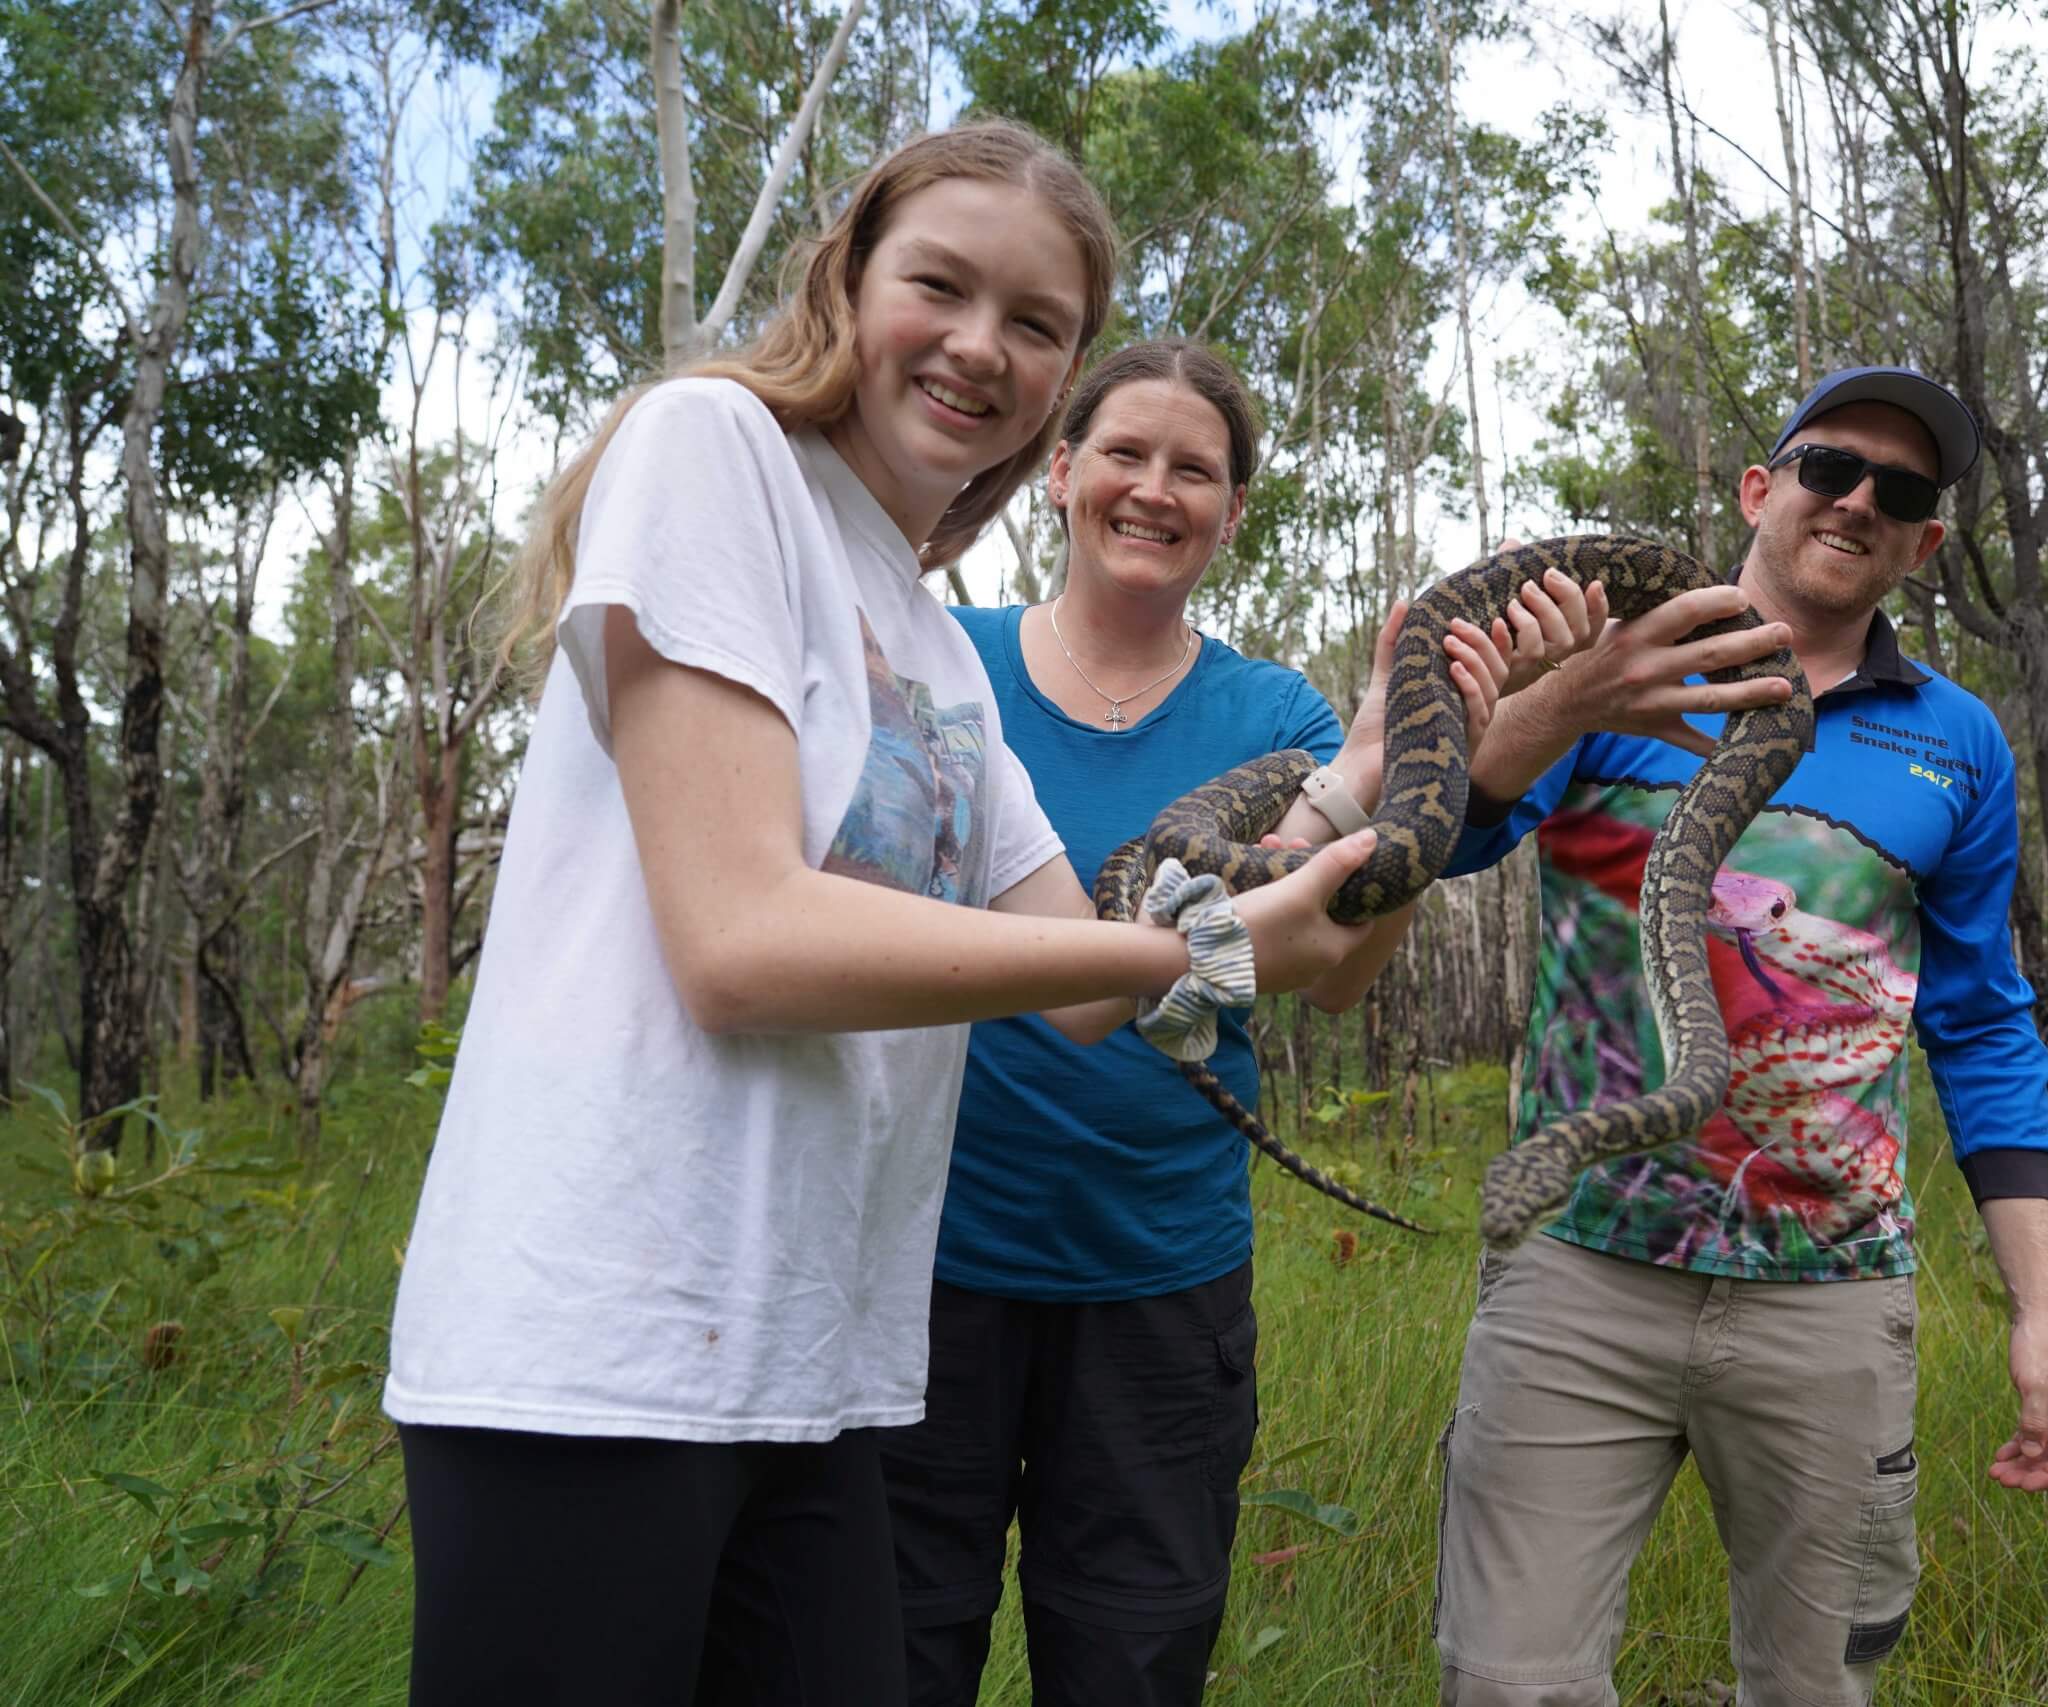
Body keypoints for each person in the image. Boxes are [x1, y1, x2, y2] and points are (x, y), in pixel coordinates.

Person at [380, 124, 1387, 1707]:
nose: (982, 347)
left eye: (1038, 324)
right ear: (848, 280)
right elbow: (740, 943)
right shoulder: (714, 451)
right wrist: (1198, 951)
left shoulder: (925, 635)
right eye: (942, 285)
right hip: (601, 1348)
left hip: (812, 1367)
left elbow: (1075, 973)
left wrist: (1371, 779)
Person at [881, 337, 1557, 1707]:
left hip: (1160, 1280)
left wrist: (1426, 770)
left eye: (1196, 469)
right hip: (920, 1263)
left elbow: (1342, 975)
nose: (1155, 488)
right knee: (890, 1650)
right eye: (1124, 452)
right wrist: (1259, 890)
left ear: (1233, 511)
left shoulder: (1284, 717)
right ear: (1061, 470)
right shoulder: (944, 658)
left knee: (1133, 1659)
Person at [1429, 367, 2048, 1707]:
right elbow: (1441, 837)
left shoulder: (1957, 744)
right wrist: (1576, 692)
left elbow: (1979, 1024)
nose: (1856, 502)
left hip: (1834, 1294)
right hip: (1576, 1277)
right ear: (1760, 486)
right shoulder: (1624, 662)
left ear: (1924, 543)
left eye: (1900, 494)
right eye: (1829, 468)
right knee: (1509, 1684)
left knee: (1816, 1688)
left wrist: (2043, 1313)